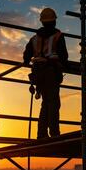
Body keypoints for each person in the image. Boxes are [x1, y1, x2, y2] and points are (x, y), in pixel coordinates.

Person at [23, 8, 68, 138]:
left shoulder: (34, 38)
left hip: (38, 72)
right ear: (54, 21)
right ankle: (54, 133)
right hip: (50, 71)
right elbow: (63, 56)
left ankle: (41, 133)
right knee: (53, 103)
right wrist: (64, 66)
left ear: (42, 22)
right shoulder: (58, 36)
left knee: (46, 103)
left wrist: (28, 61)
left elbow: (26, 56)